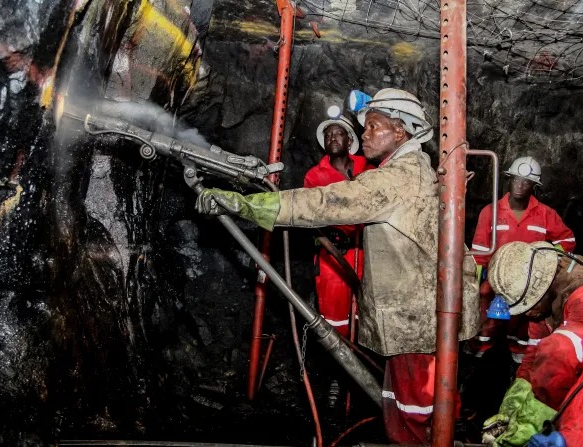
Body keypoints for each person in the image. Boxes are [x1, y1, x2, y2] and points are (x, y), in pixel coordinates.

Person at [194, 88, 480, 443]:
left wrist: (247, 205)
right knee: (410, 408)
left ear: (401, 131)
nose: (365, 134)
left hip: (416, 321)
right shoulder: (415, 170)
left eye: (374, 126)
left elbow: (325, 203)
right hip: (418, 318)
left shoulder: (395, 179)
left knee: (414, 417)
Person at [481, 240, 583, 446]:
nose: (528, 313)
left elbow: (559, 357)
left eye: (529, 306)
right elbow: (535, 355)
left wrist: (531, 421)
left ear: (542, 287)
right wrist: (514, 404)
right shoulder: (546, 298)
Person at [470, 156, 576, 365]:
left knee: (522, 321)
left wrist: (546, 255)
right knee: (487, 319)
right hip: (497, 279)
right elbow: (480, 252)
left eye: (526, 182)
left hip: (528, 280)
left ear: (534, 186)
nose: (520, 185)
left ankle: (518, 355)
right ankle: (479, 352)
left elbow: (568, 240)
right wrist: (475, 284)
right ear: (509, 180)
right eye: (516, 179)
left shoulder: (545, 214)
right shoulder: (490, 212)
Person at [305, 111, 374, 410]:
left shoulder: (366, 167)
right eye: (328, 134)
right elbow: (309, 215)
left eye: (339, 133)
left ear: (350, 140)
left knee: (366, 317)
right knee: (335, 321)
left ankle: (364, 377)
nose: (333, 137)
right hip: (333, 256)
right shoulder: (315, 175)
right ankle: (337, 377)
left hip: (366, 254)